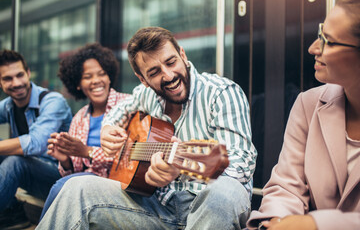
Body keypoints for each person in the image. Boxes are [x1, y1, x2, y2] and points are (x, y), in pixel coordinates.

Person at [37, 26, 257, 229]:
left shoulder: (221, 93)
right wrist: (108, 127)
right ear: (142, 79)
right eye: (154, 72)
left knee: (226, 191)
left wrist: (179, 167)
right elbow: (120, 109)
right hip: (157, 206)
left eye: (171, 62)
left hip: (206, 207)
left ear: (183, 55)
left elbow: (243, 163)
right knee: (76, 188)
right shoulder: (145, 94)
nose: (168, 76)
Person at [247, 0, 360, 229]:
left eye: (328, 41)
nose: (313, 48)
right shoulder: (308, 104)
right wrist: (277, 221)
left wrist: (314, 224)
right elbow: (286, 187)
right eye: (320, 34)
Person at [39, 43, 130, 219]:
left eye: (102, 73)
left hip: (119, 185)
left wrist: (86, 151)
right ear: (78, 84)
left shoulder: (128, 105)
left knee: (62, 187)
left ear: (110, 77)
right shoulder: (79, 117)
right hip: (83, 185)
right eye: (87, 76)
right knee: (65, 185)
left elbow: (130, 154)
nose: (96, 80)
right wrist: (65, 160)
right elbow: (75, 172)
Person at [0, 49, 72, 229]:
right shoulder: (8, 106)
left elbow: (36, 142)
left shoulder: (53, 100)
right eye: (8, 79)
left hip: (60, 177)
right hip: (32, 174)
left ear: (28, 73)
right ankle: (12, 212)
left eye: (19, 75)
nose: (16, 83)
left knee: (15, 161)